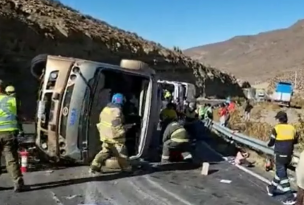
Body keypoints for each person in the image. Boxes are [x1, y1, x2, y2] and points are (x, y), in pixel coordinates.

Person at [90, 93, 133, 174]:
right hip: (114, 138)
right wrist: (126, 129)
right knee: (121, 154)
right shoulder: (117, 111)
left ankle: (94, 167)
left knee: (104, 152)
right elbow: (117, 126)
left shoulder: (105, 109)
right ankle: (127, 169)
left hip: (105, 136)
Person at [266, 111, 298, 205]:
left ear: (279, 119)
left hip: (280, 154)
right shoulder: (293, 128)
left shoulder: (276, 128)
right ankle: (272, 188)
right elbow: (295, 141)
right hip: (289, 155)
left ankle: (289, 196)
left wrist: (268, 145)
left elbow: (271, 141)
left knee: (282, 173)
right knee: (280, 172)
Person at [0, 80, 24, 192]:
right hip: (9, 133)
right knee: (11, 159)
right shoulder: (12, 99)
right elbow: (18, 115)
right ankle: (17, 183)